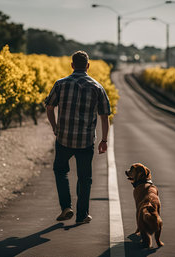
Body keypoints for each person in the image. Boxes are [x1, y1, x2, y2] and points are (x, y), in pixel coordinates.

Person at [45, 50, 111, 224]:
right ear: (88, 66)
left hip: (64, 138)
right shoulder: (97, 87)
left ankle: (66, 207)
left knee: (60, 171)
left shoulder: (60, 84)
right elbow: (105, 116)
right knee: (85, 178)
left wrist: (55, 127)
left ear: (72, 65)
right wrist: (104, 140)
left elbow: (49, 107)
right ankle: (82, 215)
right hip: (86, 140)